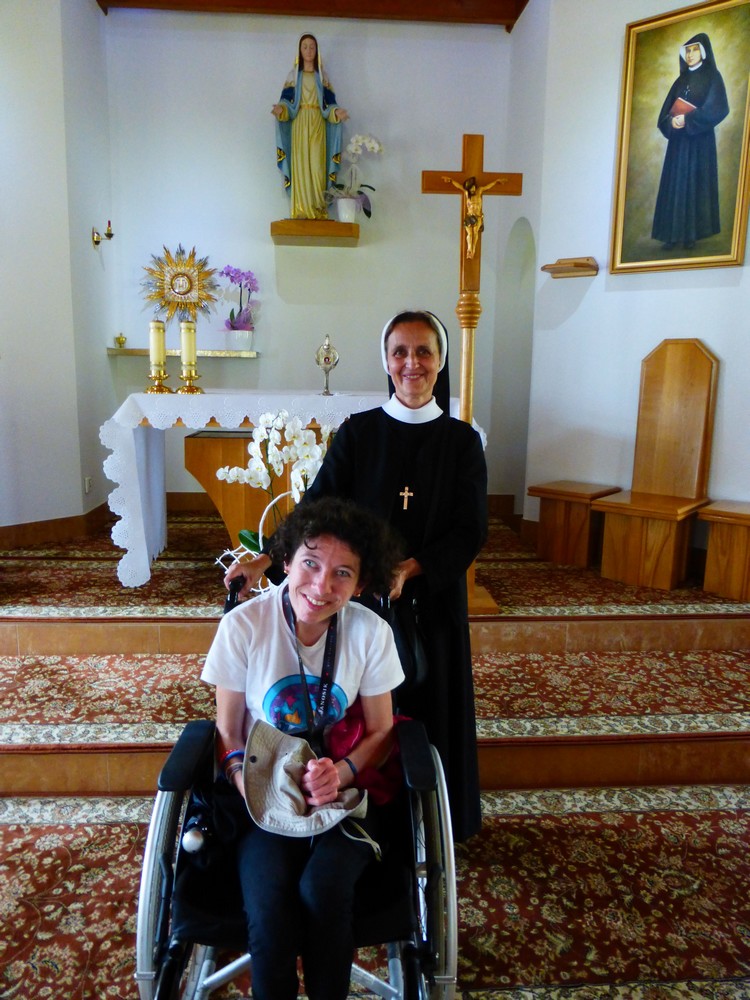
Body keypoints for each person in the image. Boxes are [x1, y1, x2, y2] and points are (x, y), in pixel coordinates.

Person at [229, 311, 488, 842]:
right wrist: (267, 559)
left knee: (429, 704)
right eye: (399, 352)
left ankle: (433, 822)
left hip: (432, 603)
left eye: (423, 352)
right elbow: (315, 510)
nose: (411, 363)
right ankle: (350, 810)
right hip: (358, 599)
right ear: (385, 361)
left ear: (441, 361)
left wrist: (413, 569)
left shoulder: (462, 442)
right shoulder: (359, 433)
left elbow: (471, 529)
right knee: (355, 714)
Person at [202, 496, 405, 1000]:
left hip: (343, 797)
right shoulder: (244, 626)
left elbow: (382, 731)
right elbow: (227, 732)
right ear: (286, 561)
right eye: (310, 564)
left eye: (342, 574)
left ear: (360, 584)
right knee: (269, 914)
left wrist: (343, 772)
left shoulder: (370, 632)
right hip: (260, 790)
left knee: (324, 892)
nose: (321, 586)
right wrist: (251, 786)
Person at [651, 32, 729, 250]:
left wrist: (689, 119)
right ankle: (671, 235)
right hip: (678, 145)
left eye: (694, 50)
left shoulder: (713, 76)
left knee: (694, 186)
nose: (691, 54)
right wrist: (671, 122)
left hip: (699, 143)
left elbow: (719, 108)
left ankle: (691, 236)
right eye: (687, 51)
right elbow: (664, 115)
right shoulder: (680, 81)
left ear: (703, 52)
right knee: (676, 186)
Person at [272, 33, 349, 220]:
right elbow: (287, 103)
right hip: (298, 124)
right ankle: (300, 209)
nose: (308, 50)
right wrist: (281, 109)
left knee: (316, 166)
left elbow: (329, 104)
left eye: (312, 47)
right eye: (305, 46)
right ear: (300, 50)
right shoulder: (293, 77)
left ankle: (318, 208)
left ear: (317, 51)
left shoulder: (322, 77)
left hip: (317, 124)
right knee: (300, 167)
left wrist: (336, 112)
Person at [442, 174, 507, 258]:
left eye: (473, 187)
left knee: (475, 232)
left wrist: (496, 181)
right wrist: (451, 181)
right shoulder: (467, 194)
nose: (472, 189)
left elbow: (487, 187)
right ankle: (469, 249)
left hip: (478, 216)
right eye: (470, 188)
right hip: (470, 216)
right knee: (469, 234)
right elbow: (459, 186)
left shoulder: (479, 191)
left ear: (475, 187)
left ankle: (473, 250)